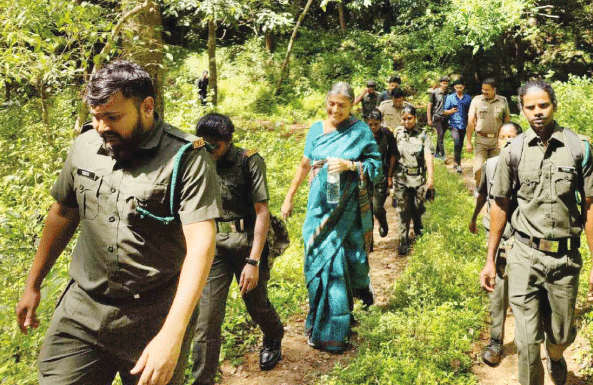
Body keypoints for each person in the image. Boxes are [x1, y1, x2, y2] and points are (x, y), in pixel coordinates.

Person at [16, 61, 220, 385]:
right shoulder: (85, 144)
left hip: (154, 314)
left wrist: (173, 333)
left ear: (147, 107)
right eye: (96, 116)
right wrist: (33, 283)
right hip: (82, 307)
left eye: (113, 117)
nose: (101, 127)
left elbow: (201, 247)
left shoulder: (187, 159)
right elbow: (63, 212)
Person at [479, 81, 593, 385]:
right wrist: (490, 258)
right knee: (525, 344)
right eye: (530, 107)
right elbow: (500, 205)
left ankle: (557, 354)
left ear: (554, 105)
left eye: (543, 105)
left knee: (561, 334)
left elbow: (590, 205)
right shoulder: (513, 151)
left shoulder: (578, 148)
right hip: (524, 254)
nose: (537, 112)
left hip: (564, 258)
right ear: (522, 110)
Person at [280, 82, 382, 353]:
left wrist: (351, 165)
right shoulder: (315, 129)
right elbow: (304, 164)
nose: (335, 109)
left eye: (342, 105)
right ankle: (317, 319)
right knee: (314, 261)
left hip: (346, 213)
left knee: (340, 266)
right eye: (331, 104)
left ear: (352, 106)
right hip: (318, 209)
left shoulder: (360, 131)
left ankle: (334, 333)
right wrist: (289, 196)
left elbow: (376, 166)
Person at [190, 113, 285, 384]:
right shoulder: (197, 157)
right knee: (206, 320)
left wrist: (253, 262)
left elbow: (262, 212)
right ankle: (203, 380)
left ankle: (274, 335)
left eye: (215, 145)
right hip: (215, 245)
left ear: (228, 141)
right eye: (204, 143)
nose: (209, 150)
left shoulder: (249, 161)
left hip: (247, 242)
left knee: (256, 306)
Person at [469, 122, 521, 367]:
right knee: (498, 291)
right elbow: (483, 194)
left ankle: (527, 339)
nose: (507, 141)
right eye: (503, 137)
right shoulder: (490, 166)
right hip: (499, 238)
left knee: (524, 289)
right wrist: (474, 216)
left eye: (512, 137)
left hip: (523, 239)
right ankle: (496, 340)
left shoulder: (528, 166)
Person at [392, 105, 434, 256]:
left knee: (417, 208)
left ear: (415, 117)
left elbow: (428, 155)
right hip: (402, 178)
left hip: (418, 178)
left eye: (409, 118)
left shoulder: (423, 134)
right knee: (403, 210)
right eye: (403, 119)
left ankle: (418, 231)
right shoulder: (397, 133)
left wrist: (430, 177)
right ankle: (403, 241)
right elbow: (392, 154)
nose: (406, 121)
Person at [466, 78, 511, 186]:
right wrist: (468, 141)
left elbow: (507, 121)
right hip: (481, 140)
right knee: (478, 168)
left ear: (494, 90)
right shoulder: (476, 100)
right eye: (483, 89)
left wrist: (507, 140)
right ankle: (479, 189)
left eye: (487, 89)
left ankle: (493, 193)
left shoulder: (503, 101)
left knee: (497, 168)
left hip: (497, 141)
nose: (484, 91)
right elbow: (471, 122)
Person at [365, 109, 397, 245]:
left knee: (377, 207)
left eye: (376, 124)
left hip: (382, 175)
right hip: (366, 175)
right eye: (371, 124)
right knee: (367, 209)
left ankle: (383, 223)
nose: (373, 127)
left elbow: (393, 155)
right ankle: (369, 240)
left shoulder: (387, 134)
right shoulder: (363, 135)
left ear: (381, 123)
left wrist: (390, 176)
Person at [443, 80, 472, 173]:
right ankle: (457, 164)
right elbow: (444, 111)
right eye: (457, 87)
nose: (459, 89)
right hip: (453, 124)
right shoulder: (450, 97)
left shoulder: (468, 98)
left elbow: (471, 111)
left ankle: (457, 161)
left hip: (464, 124)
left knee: (460, 144)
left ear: (464, 87)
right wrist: (450, 111)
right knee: (457, 142)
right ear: (454, 87)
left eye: (460, 87)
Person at [427, 76, 450, 159]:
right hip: (437, 116)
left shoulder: (448, 93)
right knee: (440, 134)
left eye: (447, 83)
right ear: (440, 83)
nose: (445, 85)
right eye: (444, 83)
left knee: (441, 135)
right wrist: (429, 119)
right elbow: (429, 106)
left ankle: (436, 153)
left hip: (445, 117)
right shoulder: (434, 93)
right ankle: (443, 155)